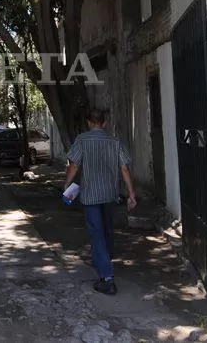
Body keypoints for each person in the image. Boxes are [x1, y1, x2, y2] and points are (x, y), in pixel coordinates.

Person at [62, 108, 137, 295]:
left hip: (90, 196)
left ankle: (107, 278)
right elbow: (125, 169)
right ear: (104, 123)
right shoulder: (115, 142)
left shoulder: (82, 140)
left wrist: (66, 185)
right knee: (107, 230)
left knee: (96, 233)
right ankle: (103, 259)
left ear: (89, 122)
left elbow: (74, 165)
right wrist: (131, 194)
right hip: (110, 195)